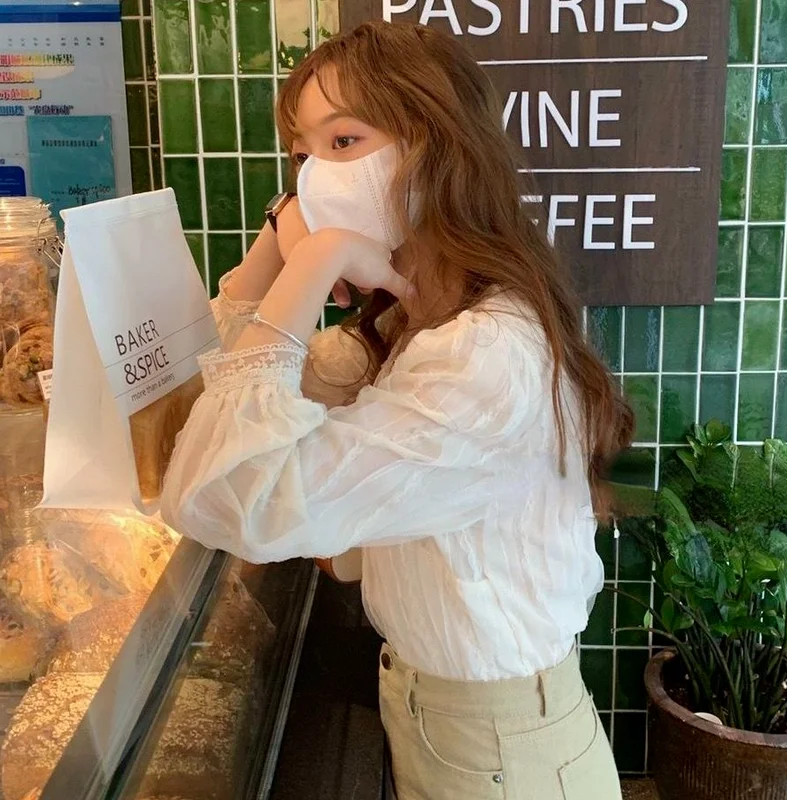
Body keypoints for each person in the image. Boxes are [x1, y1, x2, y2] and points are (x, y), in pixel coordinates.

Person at [161, 20, 632, 800]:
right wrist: (277, 243)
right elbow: (195, 406)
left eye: (344, 142)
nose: (316, 178)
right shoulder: (418, 325)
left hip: (503, 755)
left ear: (437, 148)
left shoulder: (484, 355)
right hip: (459, 732)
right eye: (302, 156)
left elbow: (227, 495)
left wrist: (313, 264)